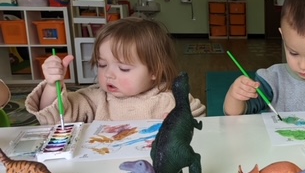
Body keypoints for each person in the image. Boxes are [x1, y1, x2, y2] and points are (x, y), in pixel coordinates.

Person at [26, 17, 206, 124]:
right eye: (102, 65)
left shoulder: (172, 98)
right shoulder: (95, 99)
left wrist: (181, 123)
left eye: (123, 68)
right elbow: (53, 117)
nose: (109, 74)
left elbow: (201, 125)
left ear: (154, 71)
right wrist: (52, 85)